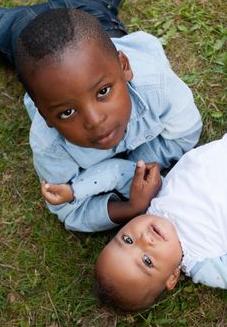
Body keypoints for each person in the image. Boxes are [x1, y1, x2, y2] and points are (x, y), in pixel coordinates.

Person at [0, 0, 202, 232]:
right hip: (23, 35)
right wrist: (130, 207)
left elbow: (185, 131)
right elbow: (67, 210)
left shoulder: (157, 87)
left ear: (124, 67)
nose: (94, 120)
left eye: (103, 91)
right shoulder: (49, 145)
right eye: (67, 112)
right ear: (44, 115)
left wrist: (141, 166)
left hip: (90, 16)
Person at [95, 134, 227, 312]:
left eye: (127, 240)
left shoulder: (150, 200)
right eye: (147, 261)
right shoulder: (201, 262)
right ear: (172, 277)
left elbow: (119, 173)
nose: (145, 240)